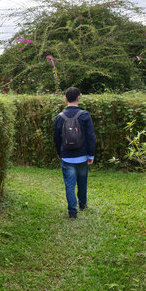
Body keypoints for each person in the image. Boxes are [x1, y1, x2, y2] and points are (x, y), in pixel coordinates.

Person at [53, 87, 96, 219]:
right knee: (82, 181)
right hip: (82, 156)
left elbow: (56, 137)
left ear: (65, 99)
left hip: (67, 157)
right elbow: (90, 136)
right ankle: (82, 204)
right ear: (78, 98)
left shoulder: (59, 117)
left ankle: (72, 212)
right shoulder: (84, 115)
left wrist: (59, 153)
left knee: (69, 185)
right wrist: (91, 155)